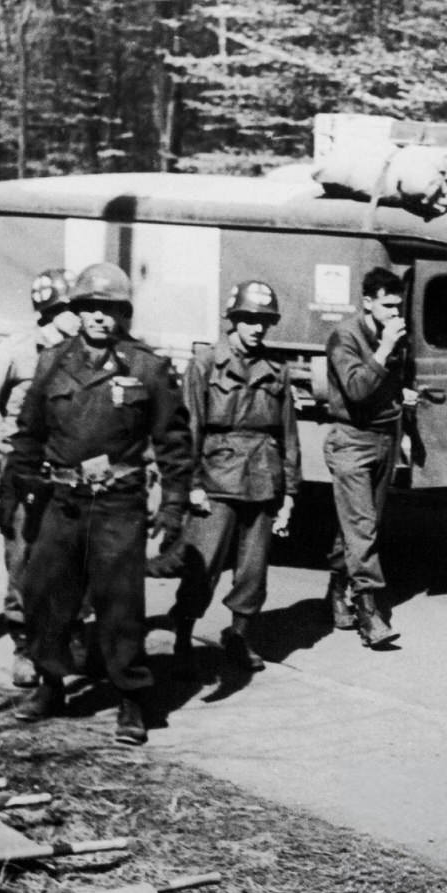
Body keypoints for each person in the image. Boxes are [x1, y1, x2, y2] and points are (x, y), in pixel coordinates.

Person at [8, 262, 193, 745]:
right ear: (77, 310)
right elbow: (28, 434)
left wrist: (173, 507)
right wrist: (18, 491)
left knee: (120, 605)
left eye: (109, 310)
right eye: (90, 307)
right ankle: (51, 685)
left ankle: (131, 699)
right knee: (47, 596)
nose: (99, 318)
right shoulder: (52, 363)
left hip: (118, 504)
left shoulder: (146, 367)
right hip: (61, 501)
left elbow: (174, 443)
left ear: (122, 314)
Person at [169, 280, 301, 673]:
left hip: (263, 478)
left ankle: (239, 637)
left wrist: (290, 494)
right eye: (249, 319)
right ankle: (182, 637)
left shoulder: (277, 369)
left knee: (253, 572)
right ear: (234, 320)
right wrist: (190, 484)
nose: (257, 328)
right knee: (201, 568)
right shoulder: (206, 363)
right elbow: (189, 425)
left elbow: (288, 434)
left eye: (264, 320)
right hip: (215, 478)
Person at [0, 269, 80, 688]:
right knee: (23, 560)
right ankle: (24, 646)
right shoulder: (18, 351)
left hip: (69, 471)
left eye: (76, 309)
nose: (73, 318)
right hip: (23, 471)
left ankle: (68, 637)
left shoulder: (85, 354)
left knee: (72, 559)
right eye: (64, 310)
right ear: (48, 313)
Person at [324, 266, 414, 649]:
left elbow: (388, 386)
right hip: (351, 440)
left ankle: (338, 583)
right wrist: (385, 349)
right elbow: (358, 389)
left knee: (366, 525)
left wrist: (401, 406)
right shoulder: (345, 336)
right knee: (361, 527)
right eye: (387, 306)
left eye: (397, 306)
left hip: (383, 439)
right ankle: (369, 612)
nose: (394, 314)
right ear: (367, 303)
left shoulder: (393, 335)